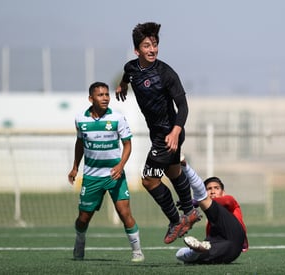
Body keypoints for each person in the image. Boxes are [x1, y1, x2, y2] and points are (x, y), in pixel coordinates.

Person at [115, 22, 204, 244]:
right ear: (137, 50)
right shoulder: (131, 68)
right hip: (158, 133)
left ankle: (176, 221)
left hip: (168, 133)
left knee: (148, 180)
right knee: (174, 172)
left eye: (155, 45)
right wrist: (122, 86)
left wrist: (175, 132)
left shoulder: (166, 73)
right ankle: (189, 211)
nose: (152, 49)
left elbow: (183, 107)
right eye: (147, 45)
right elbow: (127, 75)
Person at [68, 81, 144, 262]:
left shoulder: (117, 118)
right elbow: (80, 143)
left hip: (114, 175)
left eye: (107, 95)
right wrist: (75, 167)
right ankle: (80, 241)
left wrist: (120, 166)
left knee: (125, 214)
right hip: (91, 177)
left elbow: (127, 144)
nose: (105, 98)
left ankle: (137, 251)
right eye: (100, 95)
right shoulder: (81, 119)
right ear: (91, 98)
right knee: (83, 219)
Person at [176, 161, 249, 264]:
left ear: (223, 192)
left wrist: (197, 201)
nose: (213, 191)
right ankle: (197, 250)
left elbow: (226, 201)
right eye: (209, 189)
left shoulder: (230, 201)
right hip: (229, 251)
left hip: (235, 237)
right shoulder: (211, 222)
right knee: (184, 256)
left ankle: (185, 166)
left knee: (212, 207)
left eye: (216, 188)